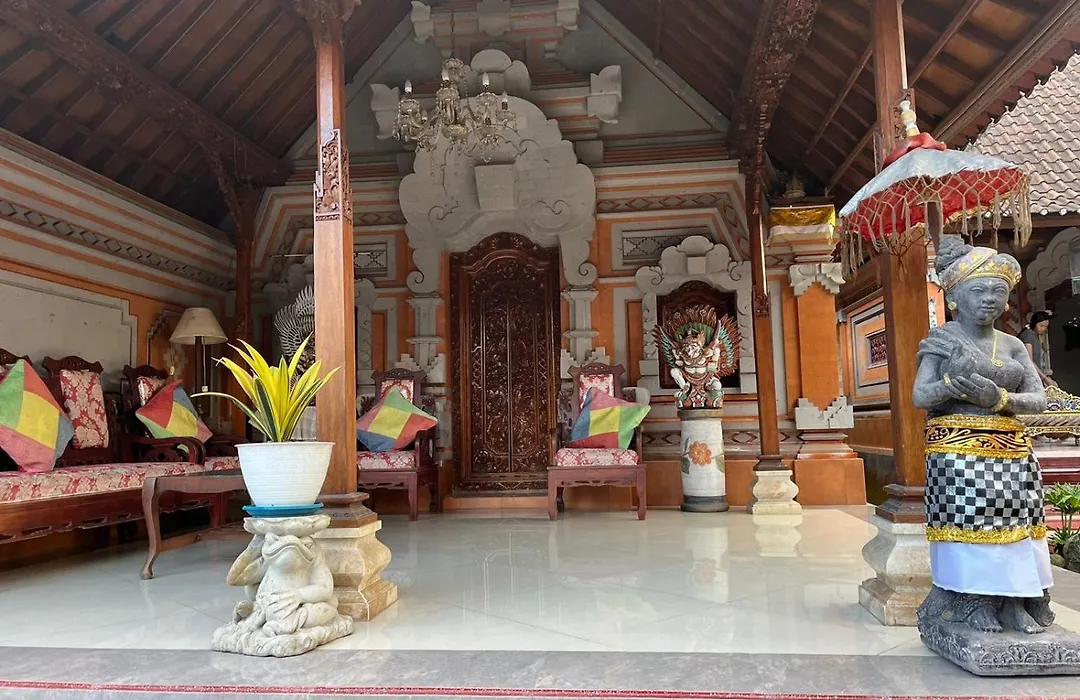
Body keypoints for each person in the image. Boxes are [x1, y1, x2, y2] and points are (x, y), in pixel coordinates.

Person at [913, 234, 1052, 634]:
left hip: (1011, 451)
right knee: (969, 526)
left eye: (998, 291)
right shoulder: (943, 340)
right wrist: (950, 386)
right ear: (955, 297)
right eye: (978, 291)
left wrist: (1000, 398)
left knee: (1017, 528)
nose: (989, 299)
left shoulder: (1013, 345)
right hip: (958, 453)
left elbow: (1038, 400)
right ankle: (973, 601)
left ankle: (1015, 601)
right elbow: (920, 396)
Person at [1018, 310, 1055, 387]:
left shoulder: (1036, 336)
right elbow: (1029, 361)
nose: (1043, 329)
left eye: (1045, 327)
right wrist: (1044, 378)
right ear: (1034, 323)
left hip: (1035, 375)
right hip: (1027, 377)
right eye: (1041, 326)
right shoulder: (1028, 335)